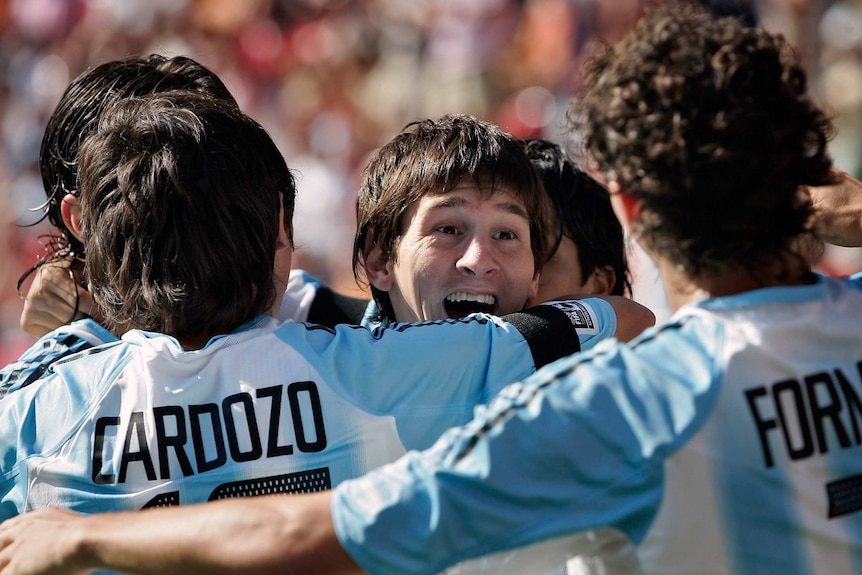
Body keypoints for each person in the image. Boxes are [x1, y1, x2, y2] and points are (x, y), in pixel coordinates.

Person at [4, 4, 859, 575]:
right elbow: (619, 319)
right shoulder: (404, 373)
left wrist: (80, 523)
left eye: (510, 235)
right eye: (447, 228)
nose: (480, 260)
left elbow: (310, 528)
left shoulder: (32, 406)